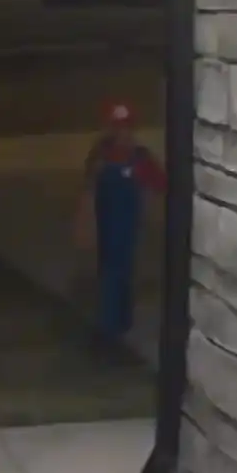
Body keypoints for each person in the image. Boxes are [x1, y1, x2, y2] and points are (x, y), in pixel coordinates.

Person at [73, 100, 165, 351]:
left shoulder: (140, 158)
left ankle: (114, 325)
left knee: (120, 273)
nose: (121, 133)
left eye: (126, 128)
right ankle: (113, 325)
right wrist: (84, 221)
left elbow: (160, 185)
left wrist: (153, 208)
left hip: (127, 227)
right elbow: (88, 188)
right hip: (105, 224)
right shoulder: (100, 155)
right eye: (116, 127)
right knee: (110, 272)